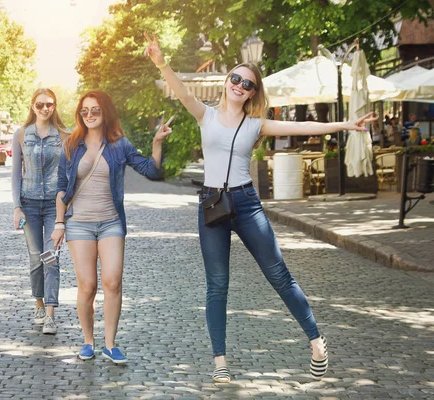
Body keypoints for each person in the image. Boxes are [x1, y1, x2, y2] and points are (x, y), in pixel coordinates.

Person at [144, 32, 376, 382]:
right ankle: (220, 362)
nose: (239, 84)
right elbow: (180, 89)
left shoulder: (256, 124)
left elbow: (302, 126)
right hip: (211, 204)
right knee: (217, 284)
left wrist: (346, 124)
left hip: (247, 204)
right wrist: (161, 61)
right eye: (235, 78)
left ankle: (316, 340)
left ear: (253, 92)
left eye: (247, 83)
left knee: (279, 275)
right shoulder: (203, 114)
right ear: (227, 82)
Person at [51, 89, 172, 364]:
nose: (90, 115)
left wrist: (156, 143)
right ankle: (88, 341)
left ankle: (110, 344)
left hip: (111, 222)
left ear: (105, 112)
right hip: (79, 224)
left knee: (113, 282)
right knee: (87, 286)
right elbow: (60, 188)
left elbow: (151, 171)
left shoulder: (120, 145)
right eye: (85, 111)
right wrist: (59, 223)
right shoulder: (71, 145)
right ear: (80, 115)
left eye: (95, 110)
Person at [12, 88, 70, 334]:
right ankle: (38, 303)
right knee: (36, 257)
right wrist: (16, 207)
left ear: (55, 106)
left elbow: (68, 175)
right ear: (32, 106)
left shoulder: (65, 136)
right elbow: (16, 173)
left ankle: (50, 314)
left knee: (50, 256)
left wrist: (65, 212)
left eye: (49, 104)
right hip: (29, 204)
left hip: (53, 206)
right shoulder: (22, 134)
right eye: (40, 105)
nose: (45, 109)